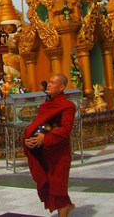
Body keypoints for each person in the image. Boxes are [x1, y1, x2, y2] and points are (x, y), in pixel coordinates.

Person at [23, 73, 76, 217]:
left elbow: (65, 129)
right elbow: (36, 125)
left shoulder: (67, 106)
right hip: (45, 152)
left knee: (59, 185)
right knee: (51, 184)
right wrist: (28, 139)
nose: (49, 85)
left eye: (53, 83)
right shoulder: (45, 106)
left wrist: (45, 138)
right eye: (49, 82)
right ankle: (68, 205)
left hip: (59, 153)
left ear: (62, 87)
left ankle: (64, 211)